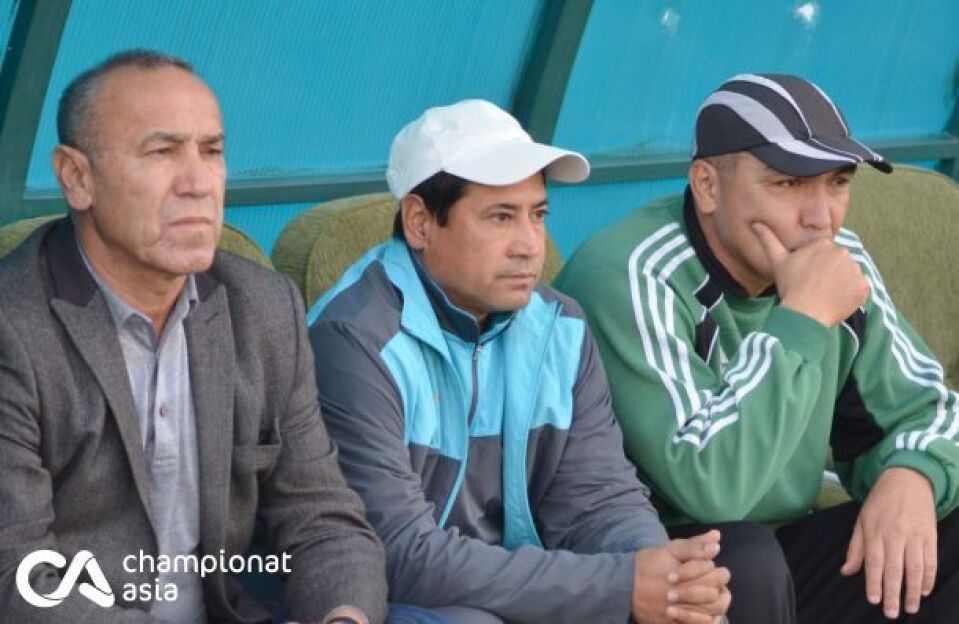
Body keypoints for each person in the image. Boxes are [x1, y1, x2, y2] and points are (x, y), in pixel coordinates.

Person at [555, 73, 959, 623]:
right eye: (788, 184)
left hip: (784, 550)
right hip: (650, 566)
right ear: (707, 186)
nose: (821, 218)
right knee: (739, 558)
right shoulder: (632, 273)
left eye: (838, 183)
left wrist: (912, 475)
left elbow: (930, 408)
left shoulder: (834, 255)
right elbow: (710, 489)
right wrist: (803, 318)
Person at [0, 50, 387, 623]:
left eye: (211, 151)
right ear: (77, 177)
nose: (199, 183)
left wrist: (343, 617)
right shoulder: (14, 329)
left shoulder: (264, 308)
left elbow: (323, 518)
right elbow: (18, 577)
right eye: (161, 152)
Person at [308, 99, 731, 624]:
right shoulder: (355, 341)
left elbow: (600, 500)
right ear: (420, 223)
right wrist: (620, 585)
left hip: (518, 587)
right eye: (501, 217)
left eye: (538, 215)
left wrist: (667, 579)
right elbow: (397, 554)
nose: (531, 246)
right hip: (392, 601)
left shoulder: (560, 328)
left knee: (719, 585)